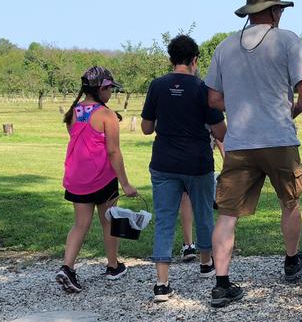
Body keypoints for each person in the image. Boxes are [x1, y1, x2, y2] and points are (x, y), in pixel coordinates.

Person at [204, 0, 302, 308]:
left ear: (250, 13)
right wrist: (292, 110)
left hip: (239, 142)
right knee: (289, 201)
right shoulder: (287, 40)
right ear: (274, 11)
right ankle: (292, 260)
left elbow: (213, 98)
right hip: (279, 137)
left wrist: (238, 106)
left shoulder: (225, 47)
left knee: (227, 213)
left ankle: (222, 284)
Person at [141, 35, 226, 302]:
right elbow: (220, 130)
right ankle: (205, 263)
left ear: (171, 59)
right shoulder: (202, 88)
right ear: (195, 60)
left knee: (164, 219)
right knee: (203, 213)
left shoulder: (157, 85)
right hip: (197, 161)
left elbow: (146, 127)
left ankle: (162, 284)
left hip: (164, 162)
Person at [56, 66, 138, 293]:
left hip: (76, 178)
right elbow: (114, 152)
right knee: (109, 220)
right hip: (102, 179)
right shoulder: (107, 115)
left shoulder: (73, 112)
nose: (111, 92)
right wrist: (126, 183)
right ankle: (113, 266)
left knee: (80, 224)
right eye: (110, 88)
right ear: (100, 88)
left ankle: (67, 267)